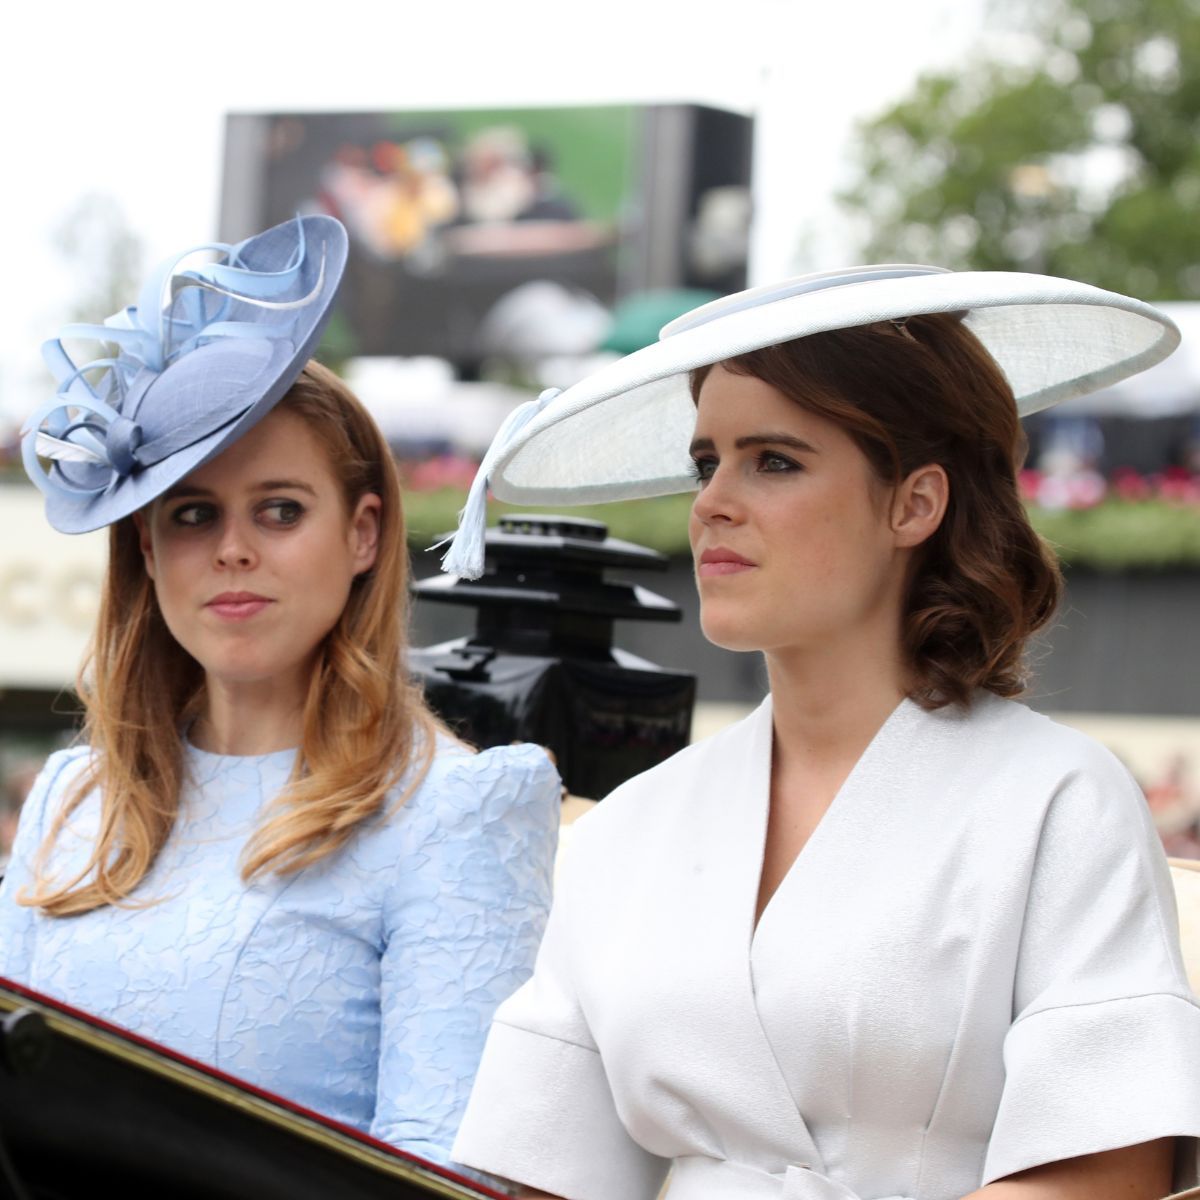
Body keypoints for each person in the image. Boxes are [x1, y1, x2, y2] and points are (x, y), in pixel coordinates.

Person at [439, 265, 1200, 1198]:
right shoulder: (627, 832)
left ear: (914, 504)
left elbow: (1104, 1172)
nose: (713, 500)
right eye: (704, 460)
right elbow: (541, 1175)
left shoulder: (1058, 802)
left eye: (775, 460)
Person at [0, 215, 560, 1171]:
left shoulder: (460, 809)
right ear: (146, 547)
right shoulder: (70, 800)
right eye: (191, 513)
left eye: (280, 509)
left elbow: (440, 1174)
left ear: (365, 534)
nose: (232, 548)